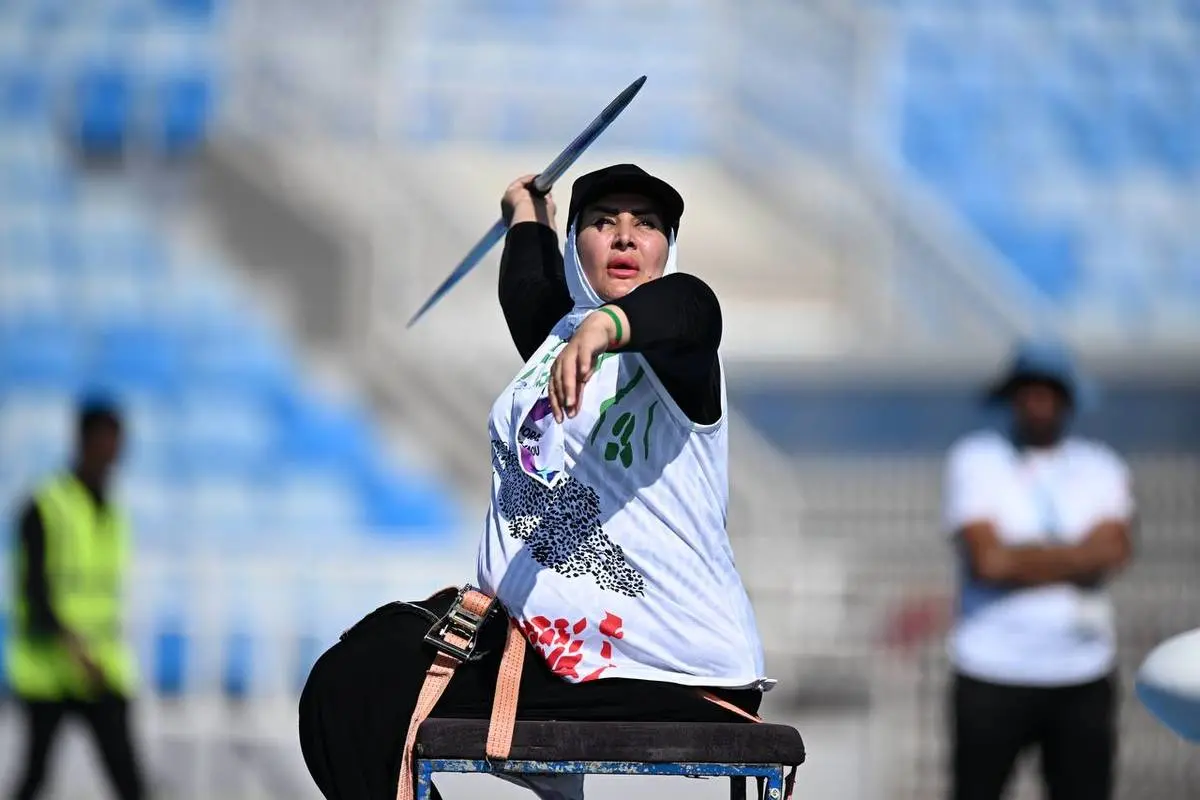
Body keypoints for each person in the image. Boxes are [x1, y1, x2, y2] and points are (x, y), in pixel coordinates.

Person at [299, 164, 771, 800]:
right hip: (563, 643)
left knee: (360, 685)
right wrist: (527, 214)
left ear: (669, 247)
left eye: (647, 226)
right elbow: (528, 288)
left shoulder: (678, 354)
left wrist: (607, 327)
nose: (626, 238)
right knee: (356, 669)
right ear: (578, 242)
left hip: (668, 656)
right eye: (604, 223)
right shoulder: (560, 341)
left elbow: (690, 308)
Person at [942, 342, 1134, 800]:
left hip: (1081, 672)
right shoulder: (977, 458)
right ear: (1011, 395)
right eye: (1028, 389)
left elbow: (1114, 551)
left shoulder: (1099, 464)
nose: (1037, 400)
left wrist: (1021, 556)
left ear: (1067, 398)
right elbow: (988, 561)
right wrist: (1075, 556)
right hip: (991, 667)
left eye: (1049, 390)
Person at [6, 399, 145, 800]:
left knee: (128, 779)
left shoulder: (114, 512)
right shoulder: (44, 506)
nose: (114, 449)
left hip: (100, 666)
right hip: (49, 668)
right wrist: (72, 646)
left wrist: (93, 655)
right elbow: (33, 590)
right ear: (85, 440)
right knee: (35, 775)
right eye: (107, 438)